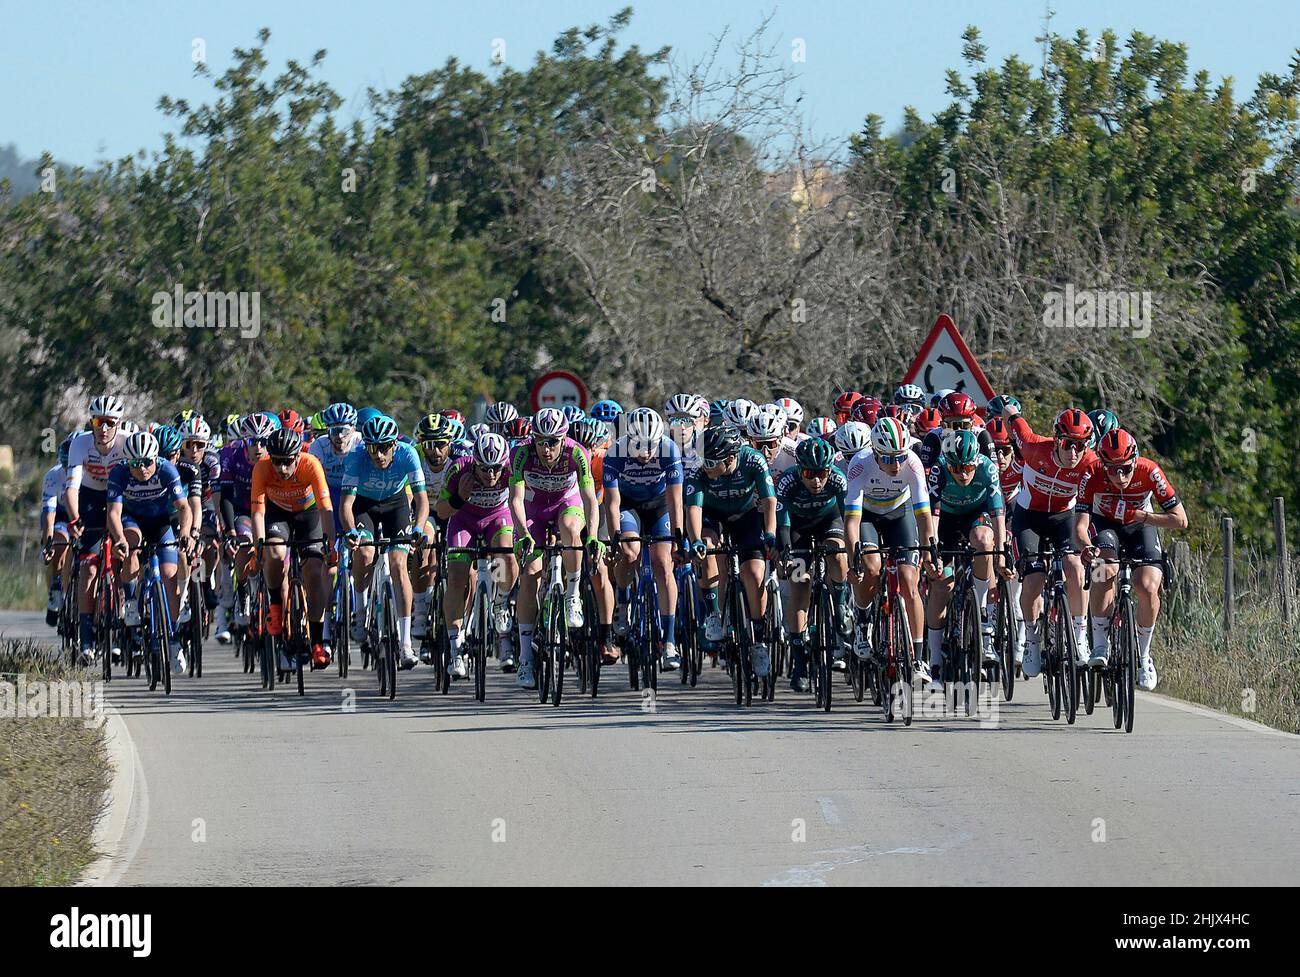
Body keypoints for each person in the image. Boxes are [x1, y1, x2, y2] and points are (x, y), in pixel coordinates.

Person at [1076, 429, 1187, 690]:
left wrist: (1144, 516)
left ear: (1134, 460)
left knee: (1148, 587)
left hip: (1141, 525)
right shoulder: (1091, 473)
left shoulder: (1150, 472)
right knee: (1105, 571)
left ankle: (1144, 655)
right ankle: (1101, 643)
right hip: (1106, 527)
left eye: (1125, 469)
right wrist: (1088, 547)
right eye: (1112, 470)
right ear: (1103, 464)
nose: (1119, 476)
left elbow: (1180, 520)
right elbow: (1081, 526)